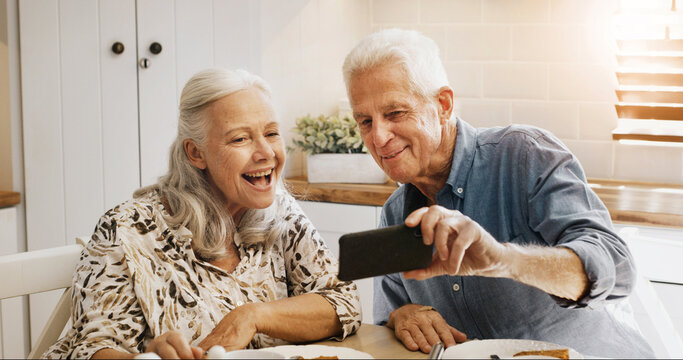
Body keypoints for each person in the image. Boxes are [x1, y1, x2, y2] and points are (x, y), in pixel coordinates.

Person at [341, 28, 654, 358]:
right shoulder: (394, 214)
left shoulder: (524, 156)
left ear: (443, 104)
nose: (378, 137)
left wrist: (503, 260)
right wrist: (402, 317)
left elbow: (617, 271)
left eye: (395, 113)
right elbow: (390, 320)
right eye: (365, 121)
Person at [44, 68, 361, 359]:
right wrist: (146, 358)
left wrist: (253, 316)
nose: (266, 153)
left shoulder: (282, 211)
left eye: (272, 133)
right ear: (195, 153)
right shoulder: (125, 230)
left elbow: (343, 302)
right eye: (240, 138)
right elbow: (90, 349)